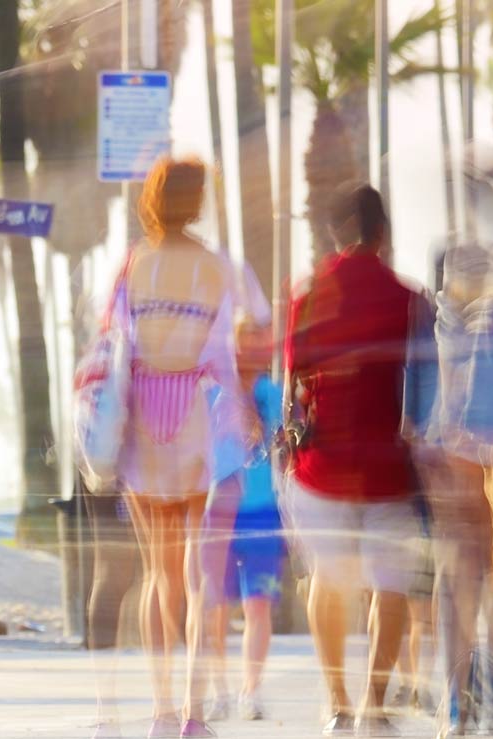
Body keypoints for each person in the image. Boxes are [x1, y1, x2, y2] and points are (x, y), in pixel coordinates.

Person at [100, 156, 260, 738]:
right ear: (197, 203)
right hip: (193, 418)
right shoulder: (213, 267)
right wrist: (242, 410)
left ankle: (162, 711)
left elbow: (114, 342)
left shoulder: (132, 264)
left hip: (142, 420)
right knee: (199, 578)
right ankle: (193, 714)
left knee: (157, 575)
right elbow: (220, 353)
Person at [282, 184, 429, 737]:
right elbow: (423, 384)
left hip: (323, 465)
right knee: (389, 585)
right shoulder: (407, 297)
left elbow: (295, 379)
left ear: (333, 234)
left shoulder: (309, 294)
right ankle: (375, 700)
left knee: (328, 577)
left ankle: (338, 702)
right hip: (390, 466)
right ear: (383, 232)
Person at [418, 244, 493, 737]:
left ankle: (458, 704)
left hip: (451, 462)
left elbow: (420, 405)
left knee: (456, 585)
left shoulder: (434, 324)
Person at [204, 325, 285, 724]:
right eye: (243, 338)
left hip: (264, 513)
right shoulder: (211, 392)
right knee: (214, 606)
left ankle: (250, 691)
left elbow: (288, 446)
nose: (252, 347)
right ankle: (218, 691)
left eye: (259, 339)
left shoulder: (274, 394)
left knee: (258, 606)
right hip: (218, 512)